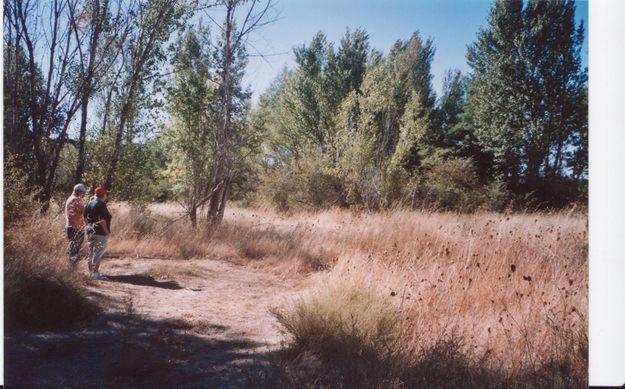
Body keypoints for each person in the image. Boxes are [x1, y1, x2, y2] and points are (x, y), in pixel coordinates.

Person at [84, 186, 112, 280]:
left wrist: (88, 227)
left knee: (91, 251)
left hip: (90, 231)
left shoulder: (90, 202)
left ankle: (90, 273)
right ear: (103, 195)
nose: (107, 195)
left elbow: (85, 217)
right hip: (100, 232)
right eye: (106, 194)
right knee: (98, 252)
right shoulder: (101, 205)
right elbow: (102, 220)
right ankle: (95, 273)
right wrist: (107, 232)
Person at [64, 184, 88, 267]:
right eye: (83, 192)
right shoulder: (75, 200)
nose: (83, 194)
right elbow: (84, 211)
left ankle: (72, 269)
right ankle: (72, 270)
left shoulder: (71, 198)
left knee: (73, 249)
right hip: (75, 228)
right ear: (79, 192)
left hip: (71, 227)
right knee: (74, 250)